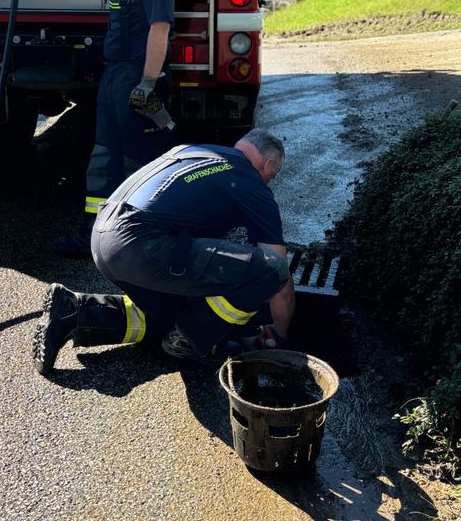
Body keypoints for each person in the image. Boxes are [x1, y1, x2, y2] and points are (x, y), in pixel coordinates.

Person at [32, 129, 295, 373]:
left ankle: (74, 312)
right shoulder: (249, 180)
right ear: (268, 164)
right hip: (141, 244)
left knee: (172, 319)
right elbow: (278, 273)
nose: (268, 183)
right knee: (269, 270)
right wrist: (281, 334)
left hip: (104, 237)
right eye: (272, 177)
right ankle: (192, 339)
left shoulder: (194, 152)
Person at [54, 0, 178, 254]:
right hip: (114, 77)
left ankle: (138, 238)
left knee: (138, 160)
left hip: (137, 78)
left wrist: (149, 83)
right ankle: (96, 233)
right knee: (104, 157)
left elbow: (160, 28)